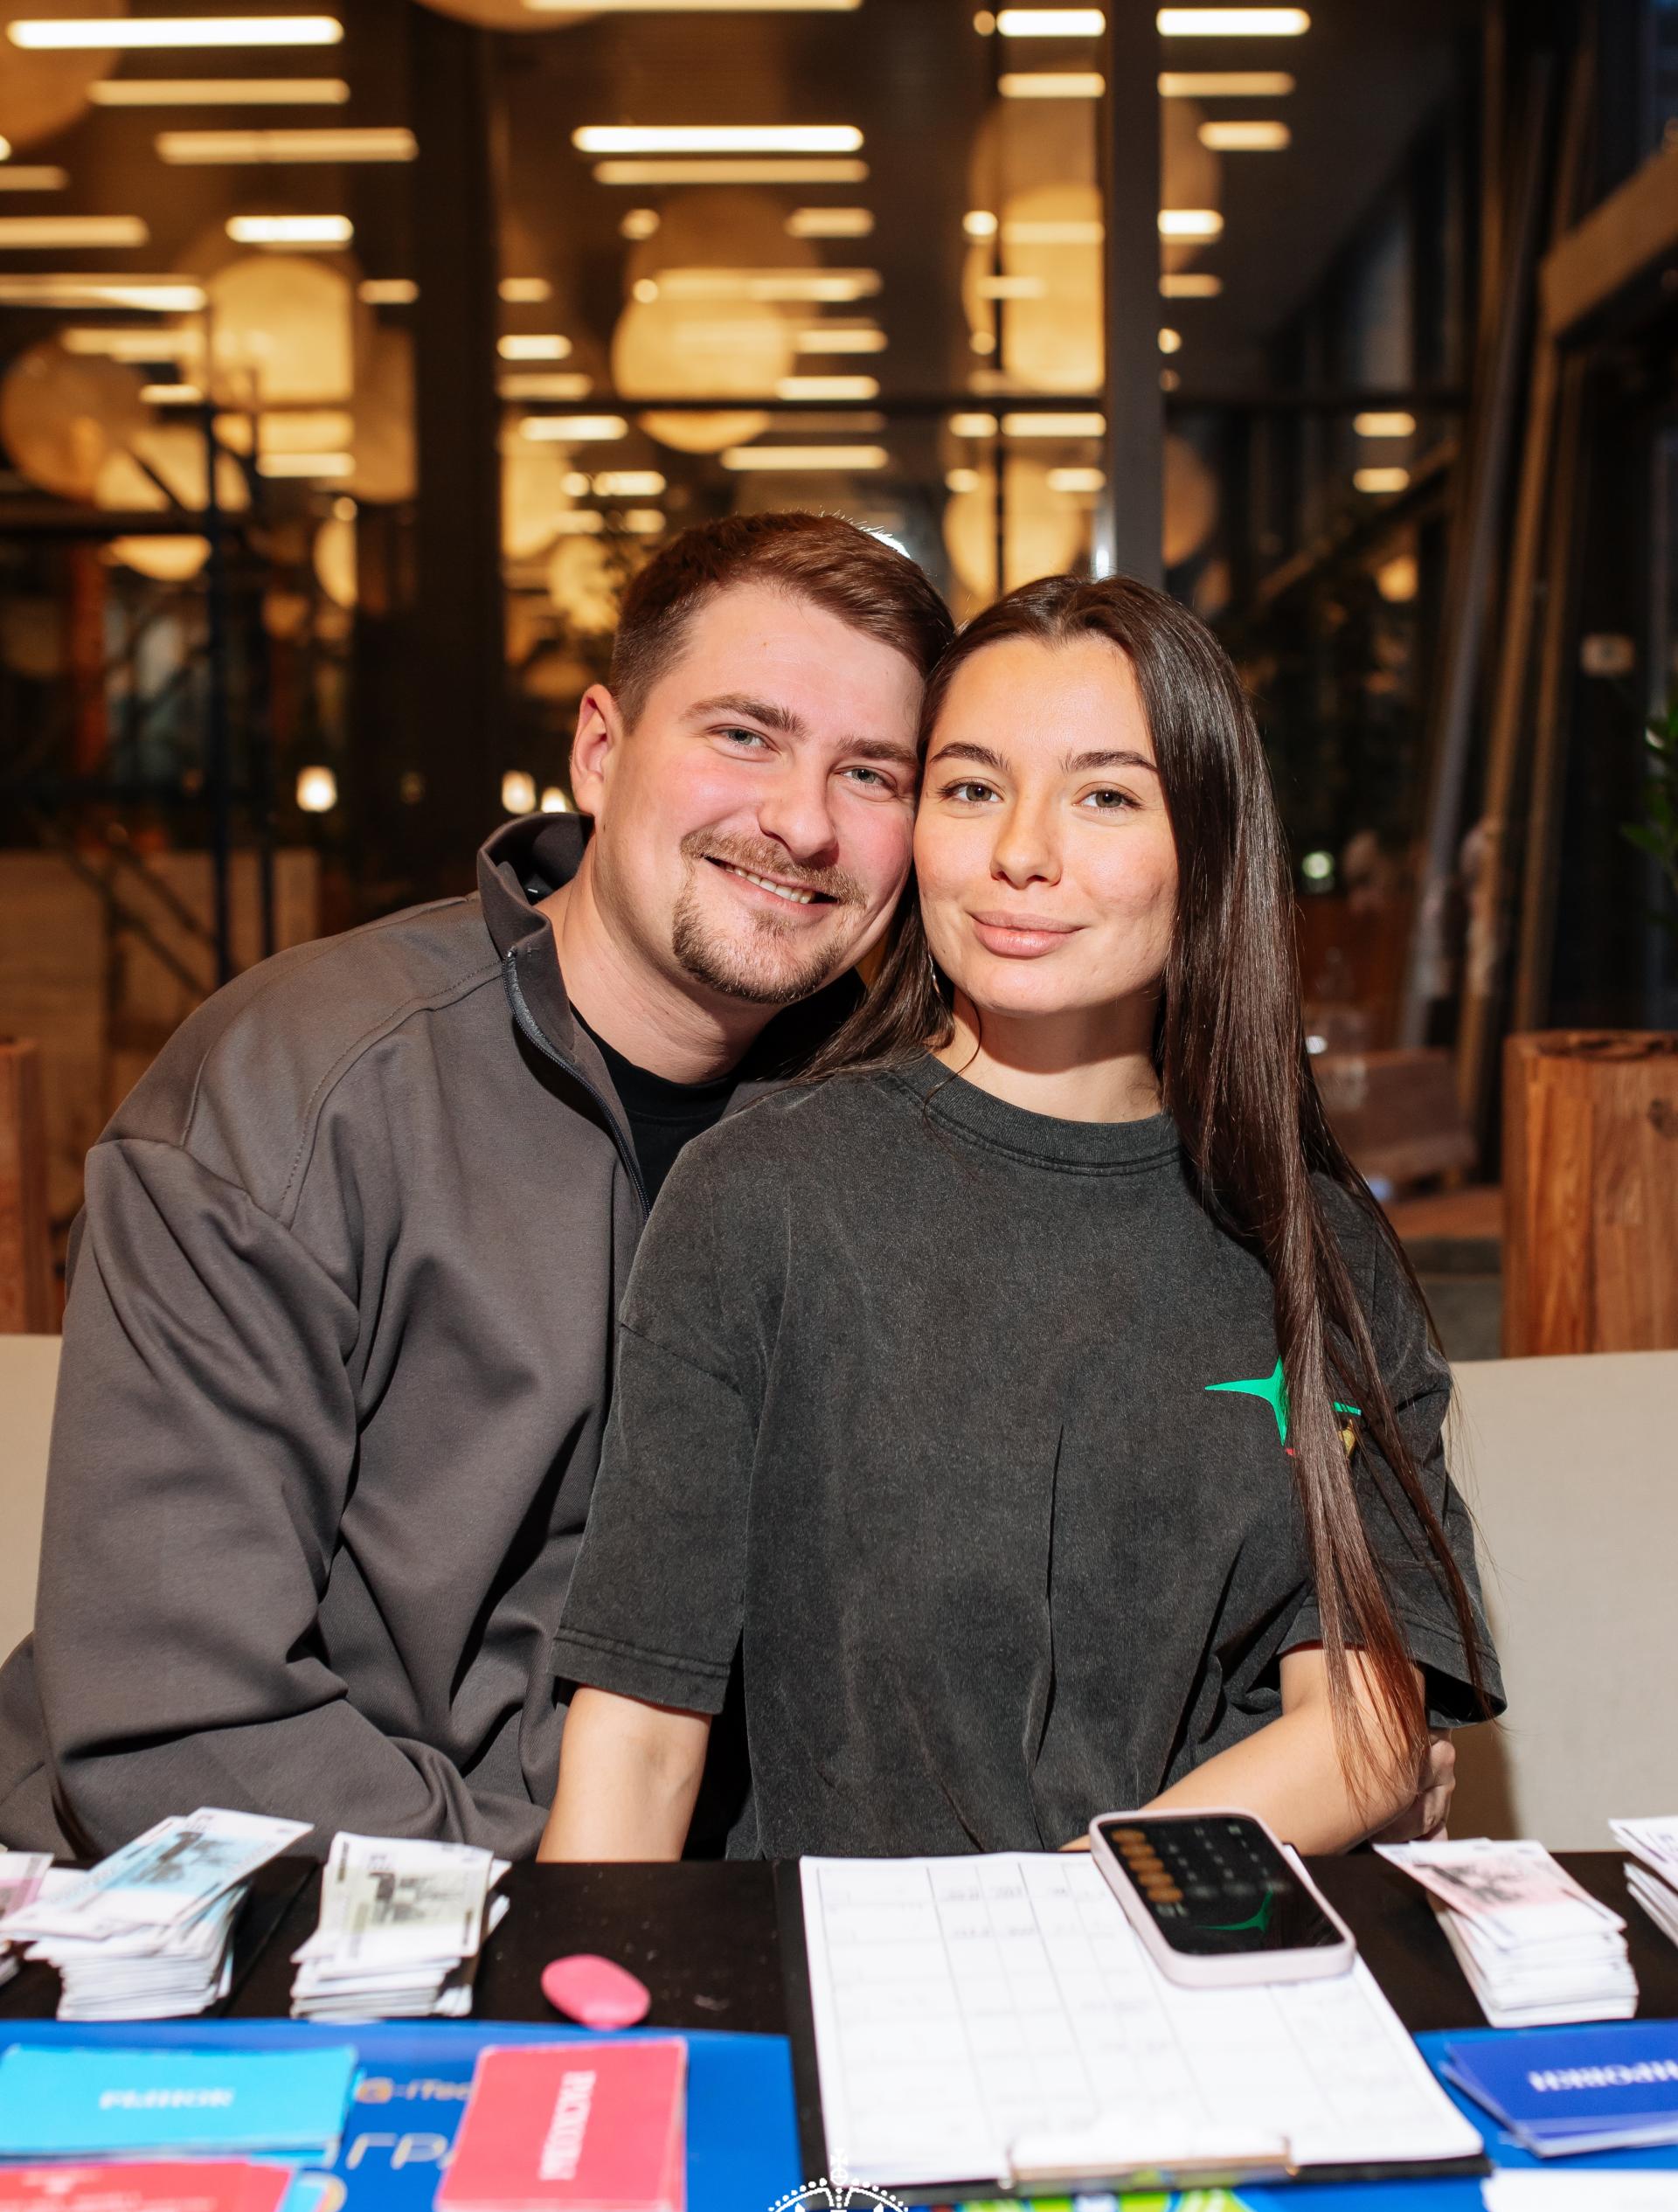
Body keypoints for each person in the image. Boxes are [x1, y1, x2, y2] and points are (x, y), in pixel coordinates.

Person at [0, 514, 951, 1860]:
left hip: (678, 1894)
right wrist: (556, 1902)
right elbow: (177, 1724)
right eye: (745, 735)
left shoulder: (898, 1124)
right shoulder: (305, 1083)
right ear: (601, 751)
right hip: (267, 1898)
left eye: (870, 774)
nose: (802, 822)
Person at [541, 574, 1498, 1863]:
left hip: (1198, 1949)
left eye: (1106, 796)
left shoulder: (1312, 1240)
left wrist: (1070, 1919)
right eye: (971, 788)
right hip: (849, 1960)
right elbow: (642, 1738)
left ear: (1210, 847)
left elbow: (1370, 1722)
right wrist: (580, 1995)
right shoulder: (764, 1194)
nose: (1021, 852)